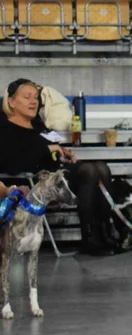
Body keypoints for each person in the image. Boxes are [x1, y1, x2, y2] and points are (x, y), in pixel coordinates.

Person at [0, 79, 120, 255]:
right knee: (89, 171)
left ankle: (105, 234)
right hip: (32, 183)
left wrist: (62, 153)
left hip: (54, 176)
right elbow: (11, 163)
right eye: (27, 97)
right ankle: (89, 238)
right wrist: (46, 149)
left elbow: (46, 149)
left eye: (35, 98)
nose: (33, 102)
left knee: (101, 167)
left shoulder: (37, 125)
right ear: (11, 101)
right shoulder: (5, 129)